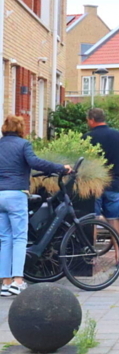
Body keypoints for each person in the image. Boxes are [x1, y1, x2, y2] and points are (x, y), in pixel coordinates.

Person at [0, 115, 68, 297]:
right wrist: (60, 168)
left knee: (5, 239)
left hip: (0, 195)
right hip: (16, 194)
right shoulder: (23, 145)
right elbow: (36, 162)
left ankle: (5, 283)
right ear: (20, 128)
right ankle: (18, 281)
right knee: (20, 238)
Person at [86, 107, 119, 238]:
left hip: (93, 185)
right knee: (114, 219)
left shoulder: (87, 137)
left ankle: (90, 256)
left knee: (93, 220)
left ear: (91, 120)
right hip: (114, 184)